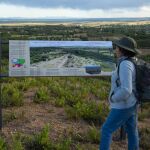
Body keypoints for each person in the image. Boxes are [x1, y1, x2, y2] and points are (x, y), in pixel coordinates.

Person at [100, 37, 140, 150]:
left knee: (106, 129)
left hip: (123, 105)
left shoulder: (125, 65)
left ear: (122, 50)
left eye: (117, 48)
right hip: (132, 103)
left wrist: (113, 98)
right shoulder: (132, 61)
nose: (115, 50)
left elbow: (126, 89)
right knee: (132, 131)